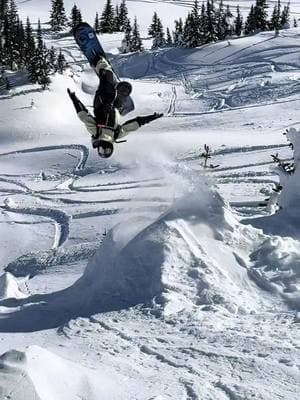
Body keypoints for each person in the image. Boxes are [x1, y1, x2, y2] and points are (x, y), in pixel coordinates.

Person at [67, 56, 163, 158]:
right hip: (117, 107)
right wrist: (151, 118)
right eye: (106, 150)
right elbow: (134, 125)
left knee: (107, 80)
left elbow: (84, 116)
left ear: (98, 147)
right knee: (123, 92)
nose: (104, 148)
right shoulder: (116, 135)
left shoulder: (96, 132)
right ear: (111, 149)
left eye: (102, 150)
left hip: (102, 102)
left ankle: (100, 62)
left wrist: (74, 99)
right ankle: (121, 89)